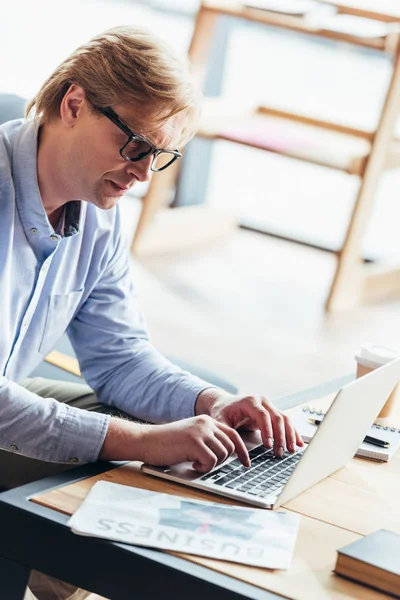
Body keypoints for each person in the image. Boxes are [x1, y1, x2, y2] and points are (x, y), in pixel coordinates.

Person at [0, 25, 303, 599]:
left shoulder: (98, 212)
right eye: (137, 145)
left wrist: (210, 405)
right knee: (135, 461)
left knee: (199, 433)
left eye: (159, 157)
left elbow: (119, 359)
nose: (142, 175)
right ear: (74, 103)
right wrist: (138, 440)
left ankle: (56, 571)